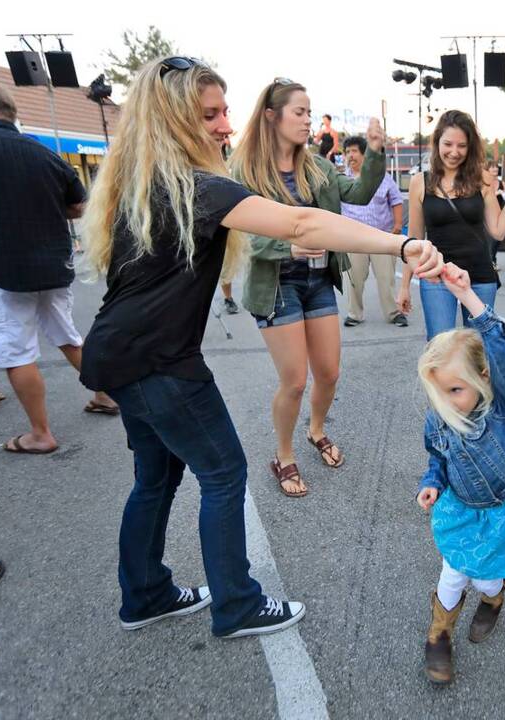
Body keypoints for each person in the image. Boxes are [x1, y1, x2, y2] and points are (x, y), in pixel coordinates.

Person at [78, 57, 444, 638]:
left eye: (225, 111)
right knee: (223, 474)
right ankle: (237, 605)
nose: (226, 125)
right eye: (210, 115)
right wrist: (401, 245)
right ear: (171, 121)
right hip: (160, 364)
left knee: (156, 478)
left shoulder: (141, 184)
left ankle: (145, 594)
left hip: (118, 357)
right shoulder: (199, 188)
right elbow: (302, 226)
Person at [231, 80, 387, 496]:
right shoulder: (244, 170)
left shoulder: (317, 165)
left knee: (330, 373)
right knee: (295, 381)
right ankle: (284, 455)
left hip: (319, 279)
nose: (307, 120)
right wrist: (288, 245)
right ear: (272, 116)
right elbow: (240, 233)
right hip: (276, 284)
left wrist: (374, 151)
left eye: (309, 112)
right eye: (299, 112)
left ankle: (316, 430)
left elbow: (359, 192)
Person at [415, 263, 505, 686]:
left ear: (483, 379)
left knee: (487, 575)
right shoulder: (437, 421)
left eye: (456, 390)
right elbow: (437, 457)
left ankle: (494, 598)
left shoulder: (500, 405)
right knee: (454, 570)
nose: (447, 403)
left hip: (502, 506)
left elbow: (503, 353)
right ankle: (438, 634)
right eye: (439, 393)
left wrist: (469, 298)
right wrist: (431, 482)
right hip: (462, 508)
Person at [0, 80, 119, 456]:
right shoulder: (42, 153)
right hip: (53, 262)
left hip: (1, 269)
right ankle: (104, 393)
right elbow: (79, 205)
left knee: (16, 352)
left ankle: (40, 434)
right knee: (67, 335)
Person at [399, 110, 505, 340]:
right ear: (437, 143)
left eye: (462, 146)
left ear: (470, 147)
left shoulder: (483, 179)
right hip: (436, 275)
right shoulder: (419, 182)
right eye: (448, 144)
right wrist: (405, 285)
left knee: (478, 350)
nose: (454, 152)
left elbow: (498, 230)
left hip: (479, 277)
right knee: (440, 350)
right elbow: (413, 240)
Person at [341, 136, 407, 328]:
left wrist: (396, 227)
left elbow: (396, 200)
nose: (350, 156)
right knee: (354, 279)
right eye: (347, 152)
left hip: (381, 236)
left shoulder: (382, 177)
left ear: (364, 154)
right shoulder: (341, 179)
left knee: (386, 278)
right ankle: (355, 314)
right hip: (353, 239)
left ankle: (394, 313)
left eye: (354, 151)